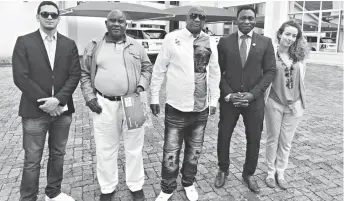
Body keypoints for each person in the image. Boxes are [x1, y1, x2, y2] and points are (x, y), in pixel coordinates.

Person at [80, 10, 152, 201]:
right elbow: (84, 73)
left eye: (121, 21)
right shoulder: (95, 45)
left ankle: (136, 185)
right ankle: (107, 187)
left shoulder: (135, 45)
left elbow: (147, 68)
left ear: (126, 25)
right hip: (103, 103)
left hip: (133, 101)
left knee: (134, 147)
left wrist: (141, 85)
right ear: (106, 23)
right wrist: (89, 97)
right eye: (113, 20)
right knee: (105, 148)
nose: (117, 24)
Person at [12, 1, 81, 201]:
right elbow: (21, 77)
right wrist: (47, 103)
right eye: (45, 14)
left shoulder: (69, 44)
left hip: (62, 112)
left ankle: (53, 192)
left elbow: (74, 75)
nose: (49, 17)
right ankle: (28, 197)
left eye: (53, 14)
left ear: (59, 18)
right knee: (32, 160)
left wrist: (58, 100)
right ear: (38, 16)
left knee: (58, 154)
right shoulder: (24, 42)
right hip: (34, 112)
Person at [150, 6, 221, 201]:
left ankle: (188, 182)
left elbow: (214, 72)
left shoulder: (209, 41)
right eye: (193, 16)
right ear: (186, 18)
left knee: (194, 151)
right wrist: (154, 97)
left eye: (201, 17)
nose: (197, 19)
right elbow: (159, 69)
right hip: (176, 107)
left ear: (205, 21)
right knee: (171, 151)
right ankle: (167, 187)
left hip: (200, 108)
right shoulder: (172, 38)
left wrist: (214, 99)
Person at [214, 5, 276, 193]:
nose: (247, 21)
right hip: (229, 100)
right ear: (237, 19)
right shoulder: (224, 42)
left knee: (254, 138)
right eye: (243, 18)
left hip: (254, 101)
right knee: (224, 135)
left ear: (255, 20)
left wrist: (254, 94)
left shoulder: (265, 42)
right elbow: (218, 71)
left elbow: (270, 71)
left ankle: (248, 173)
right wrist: (229, 93)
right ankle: (223, 169)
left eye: (250, 18)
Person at [264, 20, 309, 190]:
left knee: (286, 141)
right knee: (272, 138)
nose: (290, 38)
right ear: (280, 34)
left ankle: (280, 172)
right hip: (274, 102)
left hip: (295, 104)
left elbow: (301, 80)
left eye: (294, 36)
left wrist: (298, 101)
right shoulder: (270, 53)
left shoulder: (299, 55)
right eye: (288, 34)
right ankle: (270, 172)